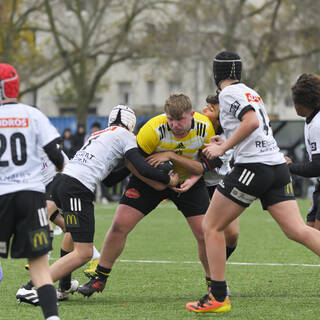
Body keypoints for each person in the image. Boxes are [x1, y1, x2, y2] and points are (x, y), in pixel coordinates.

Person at [185, 51, 320, 314]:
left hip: (253, 167)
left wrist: (223, 148)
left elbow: (251, 122)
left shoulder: (227, 94)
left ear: (216, 73)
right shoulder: (250, 92)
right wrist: (226, 140)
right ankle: (218, 294)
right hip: (276, 165)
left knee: (211, 226)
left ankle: (218, 296)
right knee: (297, 230)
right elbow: (253, 126)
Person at [17, 104, 178, 305]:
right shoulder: (125, 135)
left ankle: (64, 286)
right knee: (84, 252)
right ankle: (33, 288)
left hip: (62, 181)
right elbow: (143, 169)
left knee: (71, 234)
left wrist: (130, 168)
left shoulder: (100, 134)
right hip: (77, 187)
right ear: (131, 124)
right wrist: (167, 179)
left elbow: (110, 180)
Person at [77, 93, 216, 297]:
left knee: (204, 233)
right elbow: (131, 163)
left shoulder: (205, 126)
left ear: (192, 114)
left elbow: (207, 162)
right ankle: (100, 277)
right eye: (171, 119)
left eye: (181, 119)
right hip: (149, 182)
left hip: (188, 182)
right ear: (165, 115)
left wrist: (190, 175)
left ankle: (213, 284)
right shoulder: (152, 129)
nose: (176, 124)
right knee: (119, 225)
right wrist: (159, 185)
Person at [0, 63, 62, 319]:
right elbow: (57, 158)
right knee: (39, 266)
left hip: (2, 195)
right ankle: (52, 317)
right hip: (32, 197)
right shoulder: (33, 115)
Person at [286, 73, 320, 230]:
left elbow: (317, 167)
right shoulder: (312, 119)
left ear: (302, 102)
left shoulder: (317, 125)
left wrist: (289, 166)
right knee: (311, 228)